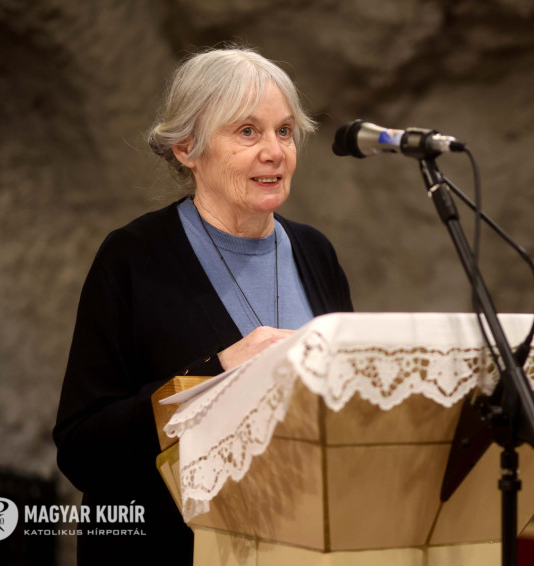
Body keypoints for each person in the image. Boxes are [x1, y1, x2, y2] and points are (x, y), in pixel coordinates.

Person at [53, 46, 352, 565]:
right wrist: (215, 373)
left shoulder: (316, 252)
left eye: (284, 131)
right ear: (187, 148)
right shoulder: (133, 259)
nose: (274, 151)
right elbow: (82, 449)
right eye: (247, 131)